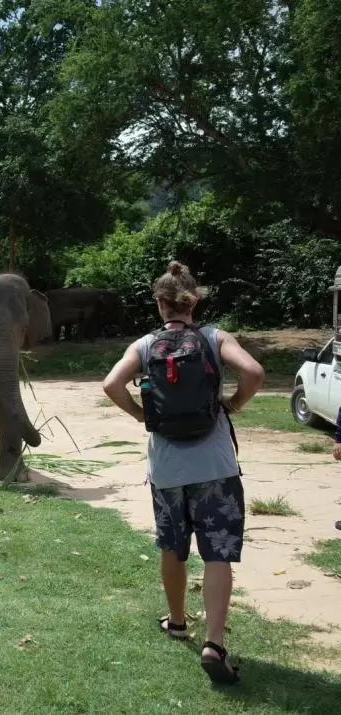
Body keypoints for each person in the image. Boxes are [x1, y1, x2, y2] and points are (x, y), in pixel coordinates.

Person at [101, 261, 264, 686]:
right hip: (216, 467)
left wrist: (142, 416)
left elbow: (110, 385)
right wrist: (233, 404)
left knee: (173, 547)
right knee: (218, 552)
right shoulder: (214, 337)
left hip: (167, 468)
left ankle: (177, 622)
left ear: (160, 304)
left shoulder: (142, 346)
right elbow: (254, 372)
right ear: (195, 301)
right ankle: (214, 643)